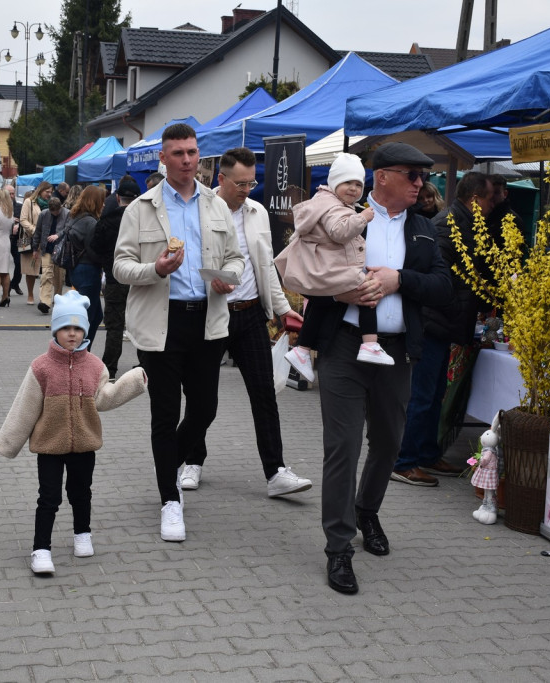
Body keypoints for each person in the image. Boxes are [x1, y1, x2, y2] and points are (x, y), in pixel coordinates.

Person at [301, 142, 452, 594]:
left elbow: (444, 287)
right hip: (344, 348)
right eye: (413, 174)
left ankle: (368, 510)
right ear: (382, 176)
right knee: (343, 447)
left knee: (388, 442)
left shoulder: (424, 229)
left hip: (397, 351)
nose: (421, 183)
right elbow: (304, 272)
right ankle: (339, 548)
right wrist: (339, 291)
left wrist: (399, 280)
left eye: (424, 176)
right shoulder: (341, 215)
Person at [113, 122, 244, 542]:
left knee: (205, 409)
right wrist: (155, 269)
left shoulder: (216, 205)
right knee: (165, 415)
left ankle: (167, 465)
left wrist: (230, 277)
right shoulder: (141, 208)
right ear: (163, 158)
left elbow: (237, 258)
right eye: (178, 153)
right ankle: (170, 500)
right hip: (159, 322)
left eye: (192, 152)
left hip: (206, 319)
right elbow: (120, 266)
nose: (187, 160)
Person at [180, 146, 312, 497]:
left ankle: (276, 472)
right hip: (213, 312)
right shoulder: (199, 209)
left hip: (252, 313)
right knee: (200, 393)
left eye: (252, 183)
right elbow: (188, 261)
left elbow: (265, 265)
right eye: (240, 183)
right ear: (221, 179)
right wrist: (210, 280)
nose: (246, 189)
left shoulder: (257, 212)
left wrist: (283, 309)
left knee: (264, 393)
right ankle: (193, 460)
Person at [0, 290, 147, 574]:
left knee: (81, 492)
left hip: (84, 445)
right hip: (50, 447)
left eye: (78, 328)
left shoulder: (95, 366)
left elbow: (104, 398)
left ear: (86, 330)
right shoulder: (41, 367)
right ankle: (41, 549)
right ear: (55, 330)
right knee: (48, 498)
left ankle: (82, 534)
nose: (72, 334)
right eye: (65, 327)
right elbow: (25, 408)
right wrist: (9, 443)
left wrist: (136, 379)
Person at [391, 172, 494, 487]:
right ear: (475, 198)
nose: (494, 205)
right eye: (490, 199)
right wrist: (460, 307)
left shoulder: (464, 223)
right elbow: (442, 279)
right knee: (423, 395)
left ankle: (426, 454)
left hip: (444, 321)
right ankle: (404, 461)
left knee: (435, 394)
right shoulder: (448, 226)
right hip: (433, 321)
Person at [282, 153, 391, 383]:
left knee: (319, 307)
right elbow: (339, 232)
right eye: (347, 183)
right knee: (367, 291)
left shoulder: (323, 201)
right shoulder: (336, 208)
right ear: (334, 183)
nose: (353, 189)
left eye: (358, 184)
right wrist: (362, 218)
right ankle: (370, 344)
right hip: (332, 269)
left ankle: (302, 350)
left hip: (320, 270)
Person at [90, 179, 140, 378]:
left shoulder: (107, 219)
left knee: (114, 326)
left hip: (114, 278)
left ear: (118, 197)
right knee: (141, 322)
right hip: (140, 278)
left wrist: (106, 262)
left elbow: (95, 245)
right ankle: (146, 364)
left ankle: (110, 367)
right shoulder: (143, 219)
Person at [61, 186, 105, 342]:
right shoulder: (91, 222)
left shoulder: (75, 216)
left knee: (95, 314)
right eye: (102, 200)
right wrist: (105, 261)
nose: (104, 204)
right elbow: (92, 249)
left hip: (75, 269)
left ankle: (83, 351)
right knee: (90, 316)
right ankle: (82, 352)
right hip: (88, 271)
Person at [19, 182, 51, 305]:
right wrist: (35, 231)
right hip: (31, 239)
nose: (49, 194)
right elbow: (23, 220)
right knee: (31, 269)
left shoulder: (50, 204)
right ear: (40, 190)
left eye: (50, 192)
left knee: (47, 269)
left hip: (46, 240)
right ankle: (30, 294)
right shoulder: (29, 202)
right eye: (47, 192)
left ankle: (45, 296)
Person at [34, 197, 68, 314]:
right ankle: (45, 302)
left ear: (60, 208)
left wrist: (58, 235)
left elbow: (68, 229)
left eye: (56, 211)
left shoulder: (67, 214)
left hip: (61, 251)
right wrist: (35, 248)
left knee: (59, 277)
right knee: (46, 275)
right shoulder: (43, 214)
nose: (54, 213)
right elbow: (38, 231)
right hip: (47, 249)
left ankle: (57, 298)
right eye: (52, 211)